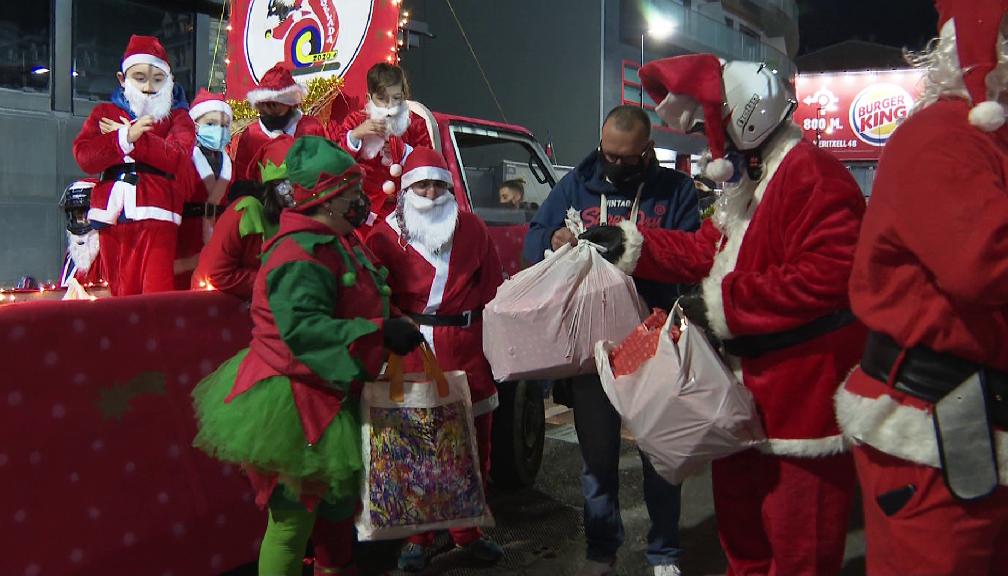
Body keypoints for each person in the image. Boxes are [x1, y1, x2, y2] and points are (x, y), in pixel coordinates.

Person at [583, 55, 866, 576]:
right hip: (744, 392)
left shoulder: (812, 177)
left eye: (716, 132)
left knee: (799, 541)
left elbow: (828, 277)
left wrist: (721, 306)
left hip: (799, 397)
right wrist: (631, 244)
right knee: (742, 531)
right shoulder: (753, 185)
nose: (717, 149)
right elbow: (704, 251)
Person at [835, 2, 1008, 574]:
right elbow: (986, 263)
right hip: (942, 427)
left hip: (979, 419)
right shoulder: (943, 136)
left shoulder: (993, 138)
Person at [192, 136, 425, 575]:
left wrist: (394, 320)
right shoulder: (297, 253)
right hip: (297, 404)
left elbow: (362, 293)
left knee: (335, 518)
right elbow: (302, 329)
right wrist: (380, 333)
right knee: (292, 523)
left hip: (334, 392)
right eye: (352, 194)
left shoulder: (339, 239)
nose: (361, 202)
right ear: (326, 198)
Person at [522, 105, 700, 576]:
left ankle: (664, 551)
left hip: (652, 338)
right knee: (597, 458)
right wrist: (554, 238)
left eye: (628, 159)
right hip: (593, 342)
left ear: (647, 153)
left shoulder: (675, 190)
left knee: (660, 454)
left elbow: (693, 259)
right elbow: (533, 238)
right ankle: (603, 549)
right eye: (609, 155)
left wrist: (636, 250)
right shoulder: (576, 185)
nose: (615, 166)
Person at [365, 148, 505, 572]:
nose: (430, 192)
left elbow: (494, 286)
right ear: (405, 189)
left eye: (438, 184)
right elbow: (374, 293)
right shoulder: (384, 236)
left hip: (467, 347)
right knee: (418, 449)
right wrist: (394, 326)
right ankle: (418, 536)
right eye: (421, 185)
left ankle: (468, 530)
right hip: (415, 350)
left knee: (473, 445)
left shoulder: (473, 228)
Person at [72, 34, 195, 296]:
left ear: (169, 81)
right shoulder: (104, 113)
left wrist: (138, 140)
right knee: (119, 295)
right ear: (122, 79)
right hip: (113, 218)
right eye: (140, 77)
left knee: (156, 297)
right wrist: (124, 137)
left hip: (158, 215)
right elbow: (85, 156)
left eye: (158, 78)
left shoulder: (178, 117)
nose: (149, 86)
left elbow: (179, 156)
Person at [334, 63, 433, 232]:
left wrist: (406, 153)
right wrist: (355, 135)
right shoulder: (355, 122)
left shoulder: (416, 124)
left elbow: (430, 166)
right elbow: (335, 163)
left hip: (406, 215)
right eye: (382, 99)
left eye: (396, 98)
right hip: (363, 215)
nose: (390, 106)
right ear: (368, 98)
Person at [192, 135, 293, 299]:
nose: (292, 191)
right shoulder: (245, 211)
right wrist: (275, 282)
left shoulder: (298, 215)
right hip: (218, 307)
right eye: (285, 184)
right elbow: (216, 274)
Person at [230, 62, 326, 189]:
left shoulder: (311, 128)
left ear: (290, 104)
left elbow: (325, 169)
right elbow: (242, 178)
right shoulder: (251, 135)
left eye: (274, 106)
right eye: (264, 106)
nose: (269, 112)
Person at [175, 88, 234, 289]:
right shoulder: (183, 160)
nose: (219, 130)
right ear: (195, 125)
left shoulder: (230, 164)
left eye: (225, 125)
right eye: (211, 123)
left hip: (219, 237)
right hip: (187, 236)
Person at [58, 179, 105, 287]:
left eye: (85, 213)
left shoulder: (107, 253)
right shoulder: (71, 255)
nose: (81, 221)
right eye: (77, 215)